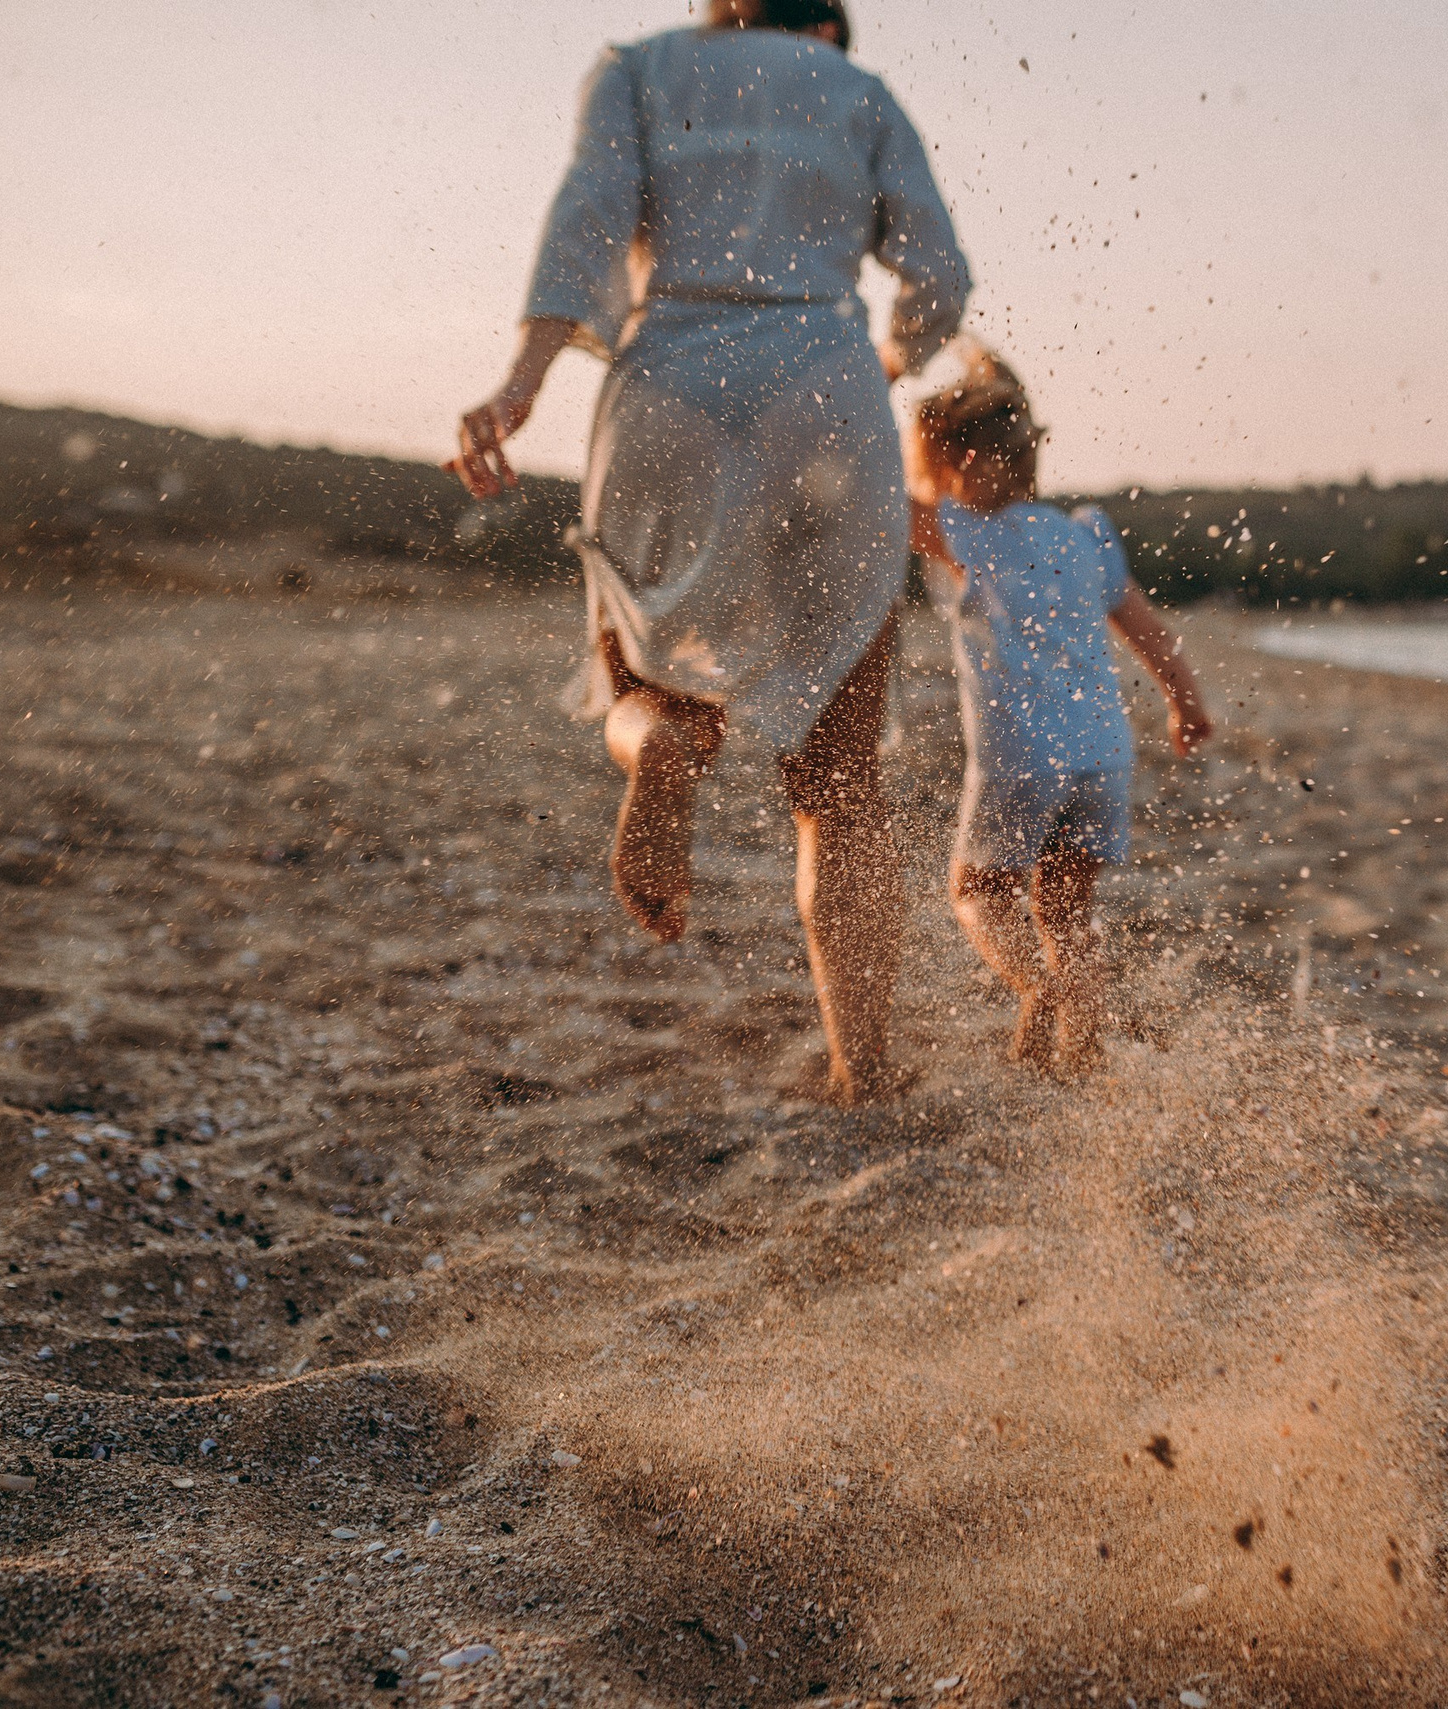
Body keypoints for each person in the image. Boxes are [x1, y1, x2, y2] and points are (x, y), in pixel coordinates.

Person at [450, 0, 968, 1102]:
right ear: (824, 19)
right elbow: (940, 278)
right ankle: (863, 1065)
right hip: (824, 380)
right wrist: (884, 363)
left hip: (670, 380)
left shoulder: (639, 69)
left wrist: (523, 381)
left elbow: (586, 220)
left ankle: (664, 750)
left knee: (642, 679)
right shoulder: (860, 92)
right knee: (838, 781)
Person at [905, 344, 1213, 1074]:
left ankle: (1034, 990)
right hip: (1104, 755)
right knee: (1069, 912)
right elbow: (1151, 634)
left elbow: (875, 490)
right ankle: (1083, 1048)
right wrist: (1186, 703)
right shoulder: (1085, 535)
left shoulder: (967, 533)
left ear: (957, 467)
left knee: (977, 890)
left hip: (1021, 755)